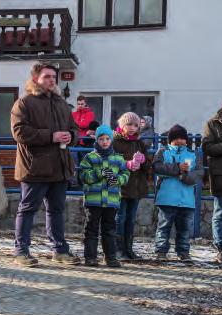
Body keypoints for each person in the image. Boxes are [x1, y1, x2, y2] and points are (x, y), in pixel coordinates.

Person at [10, 62, 80, 267]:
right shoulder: (24, 103)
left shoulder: (61, 103)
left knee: (56, 210)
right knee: (27, 209)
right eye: (47, 76)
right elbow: (19, 133)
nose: (52, 80)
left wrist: (71, 136)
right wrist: (51, 136)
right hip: (35, 167)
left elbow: (75, 129)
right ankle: (21, 251)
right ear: (35, 79)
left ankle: (60, 250)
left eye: (53, 77)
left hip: (59, 166)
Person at [79, 125, 128, 267]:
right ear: (97, 140)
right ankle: (90, 257)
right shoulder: (89, 158)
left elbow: (125, 175)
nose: (104, 142)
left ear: (111, 140)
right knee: (91, 229)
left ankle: (111, 257)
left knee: (109, 230)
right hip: (93, 201)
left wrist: (117, 180)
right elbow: (84, 176)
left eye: (107, 139)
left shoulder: (118, 159)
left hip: (111, 201)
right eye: (101, 139)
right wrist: (99, 173)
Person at [152, 124, 203, 261]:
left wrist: (184, 176)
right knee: (164, 226)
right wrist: (177, 168)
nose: (180, 141)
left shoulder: (193, 155)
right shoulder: (162, 152)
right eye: (176, 138)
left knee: (185, 229)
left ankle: (183, 252)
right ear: (170, 140)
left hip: (186, 199)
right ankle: (161, 251)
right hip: (166, 197)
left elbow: (199, 173)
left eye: (182, 138)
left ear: (187, 140)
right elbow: (157, 167)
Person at [113, 112, 148, 260]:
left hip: (136, 186)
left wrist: (144, 160)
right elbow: (109, 162)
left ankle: (129, 249)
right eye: (129, 124)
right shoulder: (114, 141)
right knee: (120, 218)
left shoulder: (140, 143)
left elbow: (148, 167)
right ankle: (118, 250)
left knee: (131, 218)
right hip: (121, 186)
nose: (133, 128)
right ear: (122, 125)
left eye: (135, 125)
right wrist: (127, 163)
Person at [201, 102, 222, 262]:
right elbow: (207, 147)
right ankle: (221, 248)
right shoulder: (213, 123)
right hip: (221, 176)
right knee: (221, 213)